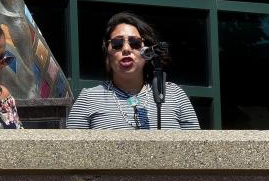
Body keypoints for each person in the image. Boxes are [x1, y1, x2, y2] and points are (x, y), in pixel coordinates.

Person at [66, 12, 200, 130]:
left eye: (135, 43)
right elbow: (70, 153)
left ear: (147, 51)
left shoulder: (175, 95)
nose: (126, 49)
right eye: (117, 43)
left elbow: (197, 151)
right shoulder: (89, 98)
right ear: (107, 52)